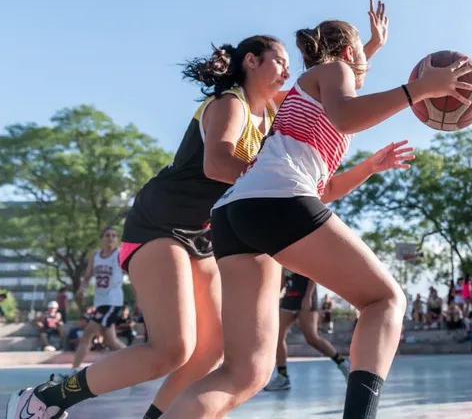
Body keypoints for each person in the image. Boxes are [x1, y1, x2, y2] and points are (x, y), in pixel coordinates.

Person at [160, 17, 472, 419]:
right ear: (348, 53)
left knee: (242, 373)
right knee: (385, 300)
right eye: (361, 53)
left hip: (235, 211)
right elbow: (347, 102)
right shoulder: (332, 73)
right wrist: (420, 90)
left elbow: (323, 191)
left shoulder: (311, 98)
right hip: (276, 199)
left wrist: (368, 167)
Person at [7, 33, 293, 419]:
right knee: (171, 349)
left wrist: (365, 52)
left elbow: (323, 95)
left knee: (211, 349)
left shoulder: (270, 115)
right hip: (160, 223)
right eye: (279, 60)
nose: (288, 70)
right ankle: (47, 397)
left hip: (201, 235)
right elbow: (217, 164)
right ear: (252, 62)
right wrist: (277, 183)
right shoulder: (231, 103)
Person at [264, 270, 350, 392]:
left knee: (312, 338)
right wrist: (271, 299)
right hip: (289, 300)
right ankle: (282, 376)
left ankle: (342, 363)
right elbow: (282, 282)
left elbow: (313, 274)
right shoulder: (282, 260)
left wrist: (308, 296)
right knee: (277, 336)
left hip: (305, 299)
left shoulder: (300, 254)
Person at [67, 228, 127, 374]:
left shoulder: (119, 254)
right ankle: (139, 362)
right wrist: (82, 288)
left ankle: (73, 372)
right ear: (101, 239)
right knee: (111, 341)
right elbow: (88, 276)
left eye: (114, 235)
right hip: (100, 301)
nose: (110, 238)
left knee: (87, 334)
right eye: (107, 235)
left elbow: (132, 271)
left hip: (113, 302)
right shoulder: (96, 256)